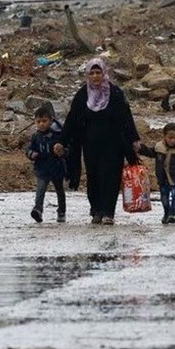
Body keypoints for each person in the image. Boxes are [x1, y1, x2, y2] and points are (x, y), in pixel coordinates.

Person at [57, 58, 141, 225]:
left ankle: (108, 212)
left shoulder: (115, 93)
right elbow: (72, 120)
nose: (95, 76)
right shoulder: (82, 95)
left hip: (114, 145)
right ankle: (96, 210)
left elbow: (126, 118)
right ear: (88, 75)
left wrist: (134, 139)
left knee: (111, 177)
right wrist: (62, 141)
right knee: (94, 177)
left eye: (98, 72)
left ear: (104, 73)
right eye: (92, 73)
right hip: (91, 146)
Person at [138, 122, 175, 225]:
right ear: (164, 136)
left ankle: (172, 214)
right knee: (164, 199)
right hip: (162, 179)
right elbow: (149, 152)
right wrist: (140, 148)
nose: (173, 140)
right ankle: (166, 213)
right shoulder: (159, 147)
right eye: (170, 138)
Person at [26, 104, 66, 223]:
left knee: (59, 190)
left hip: (56, 168)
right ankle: (38, 210)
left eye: (44, 121)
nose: (41, 124)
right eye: (38, 121)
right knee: (40, 189)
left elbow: (66, 150)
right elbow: (28, 149)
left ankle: (61, 211)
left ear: (51, 121)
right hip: (42, 168)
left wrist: (61, 152)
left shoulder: (57, 135)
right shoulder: (36, 137)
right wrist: (32, 154)